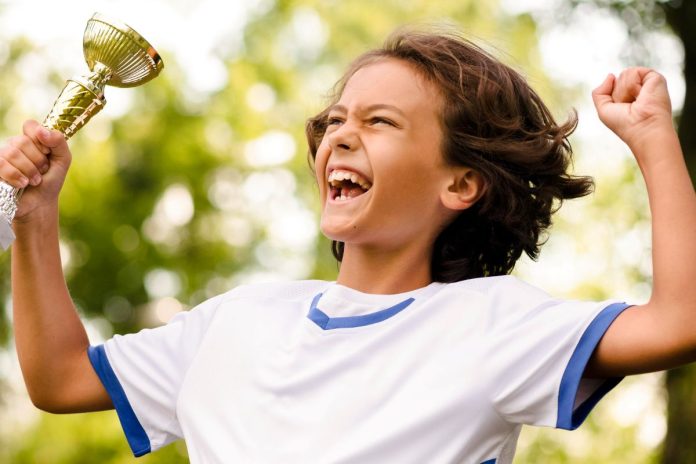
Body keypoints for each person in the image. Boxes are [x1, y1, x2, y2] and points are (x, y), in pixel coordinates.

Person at [3, 28, 695, 463]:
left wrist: (655, 141)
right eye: (336, 119)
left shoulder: (492, 324)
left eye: (380, 121)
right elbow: (60, 379)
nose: (340, 134)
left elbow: (679, 323)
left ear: (461, 183)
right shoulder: (236, 321)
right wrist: (36, 220)